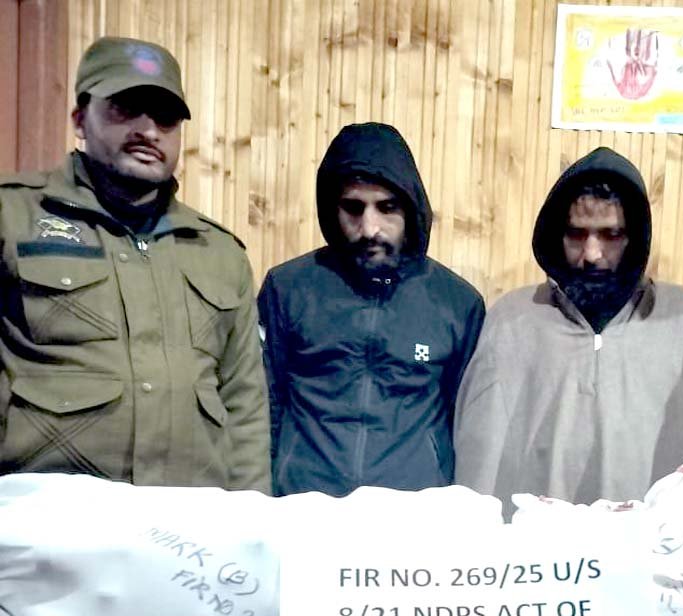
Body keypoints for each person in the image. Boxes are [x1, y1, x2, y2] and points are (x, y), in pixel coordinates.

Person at [0, 37, 270, 490]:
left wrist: (249, 516)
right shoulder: (13, 218)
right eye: (126, 108)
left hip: (189, 519)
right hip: (43, 517)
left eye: (165, 117)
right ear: (80, 119)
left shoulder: (219, 253)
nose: (148, 129)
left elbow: (244, 407)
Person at [454, 147, 683, 512]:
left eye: (610, 235)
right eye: (576, 235)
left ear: (635, 237)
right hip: (535, 541)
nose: (592, 254)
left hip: (653, 540)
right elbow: (480, 457)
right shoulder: (513, 320)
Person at [258, 122, 485, 497]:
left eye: (386, 208)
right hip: (304, 504)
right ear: (332, 210)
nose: (369, 228)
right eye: (353, 208)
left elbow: (465, 422)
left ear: (410, 209)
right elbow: (265, 403)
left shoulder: (457, 303)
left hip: (413, 511)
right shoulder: (289, 288)